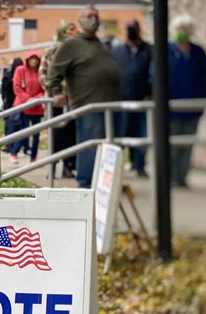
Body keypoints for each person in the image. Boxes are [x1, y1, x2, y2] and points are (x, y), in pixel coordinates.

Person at [47, 5, 121, 188]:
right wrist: (56, 92)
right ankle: (86, 185)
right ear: (80, 20)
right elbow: (53, 73)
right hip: (88, 106)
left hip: (110, 107)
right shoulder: (71, 44)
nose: (94, 19)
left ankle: (104, 185)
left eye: (96, 15)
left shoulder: (100, 45)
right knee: (89, 147)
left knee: (108, 149)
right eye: (89, 16)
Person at [168, 14, 206, 188]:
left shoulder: (197, 52)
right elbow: (156, 77)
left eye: (185, 30)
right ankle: (170, 177)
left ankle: (181, 177)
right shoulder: (167, 52)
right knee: (171, 146)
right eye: (180, 29)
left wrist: (202, 96)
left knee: (187, 145)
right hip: (172, 109)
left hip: (192, 108)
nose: (182, 33)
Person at [111, 20, 153, 178]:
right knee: (122, 135)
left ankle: (140, 165)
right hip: (123, 100)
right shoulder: (118, 51)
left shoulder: (148, 50)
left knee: (142, 135)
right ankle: (119, 168)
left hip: (143, 100)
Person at [39, 21, 78, 178]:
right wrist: (53, 91)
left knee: (70, 134)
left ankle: (68, 166)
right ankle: (53, 166)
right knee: (56, 134)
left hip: (73, 101)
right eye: (70, 30)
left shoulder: (76, 51)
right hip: (55, 101)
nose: (74, 33)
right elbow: (42, 73)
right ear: (63, 32)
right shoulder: (52, 50)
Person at [10, 50, 44, 164]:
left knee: (36, 134)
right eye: (31, 59)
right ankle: (14, 153)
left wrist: (37, 99)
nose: (34, 62)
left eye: (36, 60)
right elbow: (16, 87)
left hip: (37, 107)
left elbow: (44, 88)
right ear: (27, 60)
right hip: (24, 106)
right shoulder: (21, 70)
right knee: (23, 132)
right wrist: (27, 98)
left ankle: (33, 157)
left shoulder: (40, 72)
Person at [1, 57, 28, 154]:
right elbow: (4, 89)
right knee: (9, 126)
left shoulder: (24, 74)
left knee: (20, 125)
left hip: (20, 103)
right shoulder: (8, 75)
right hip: (9, 104)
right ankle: (9, 146)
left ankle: (21, 145)